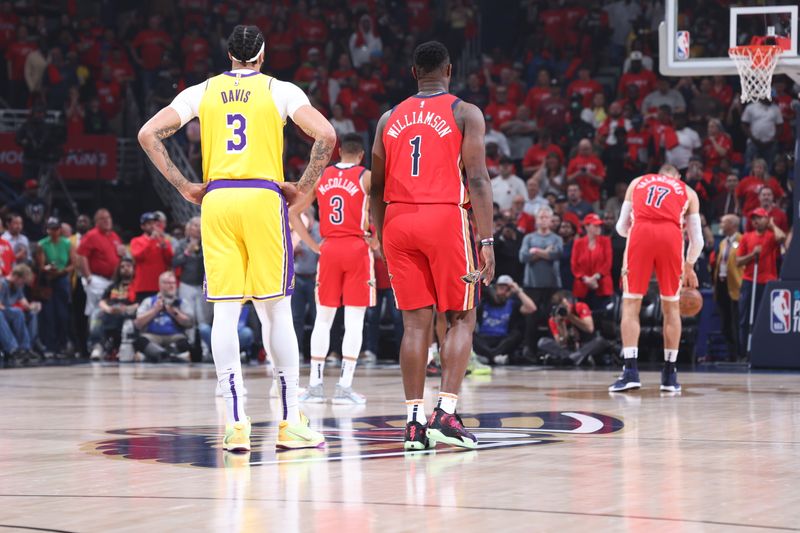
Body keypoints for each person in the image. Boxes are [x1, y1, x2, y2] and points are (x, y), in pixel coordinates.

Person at [138, 25, 335, 452]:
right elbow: (327, 136)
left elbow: (147, 134)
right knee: (277, 312)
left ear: (228, 56)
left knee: (225, 313)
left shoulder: (202, 91)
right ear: (262, 55)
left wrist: (183, 185)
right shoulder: (280, 90)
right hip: (263, 198)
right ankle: (288, 421)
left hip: (218, 199)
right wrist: (302, 185)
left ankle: (234, 423)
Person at [370, 41, 495, 450]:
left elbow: (377, 184)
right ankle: (446, 411)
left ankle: (412, 423)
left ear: (413, 73)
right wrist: (487, 239)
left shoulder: (388, 118)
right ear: (449, 70)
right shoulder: (464, 112)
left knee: (414, 324)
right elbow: (477, 178)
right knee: (461, 316)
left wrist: (379, 232)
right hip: (443, 217)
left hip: (398, 221)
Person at [290, 133, 375, 405]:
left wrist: (313, 244)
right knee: (354, 321)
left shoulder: (323, 177)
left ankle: (315, 386)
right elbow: (387, 206)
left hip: (328, 250)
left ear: (339, 153)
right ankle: (344, 387)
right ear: (361, 155)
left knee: (323, 320)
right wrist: (378, 239)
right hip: (356, 249)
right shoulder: (366, 176)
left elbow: (292, 212)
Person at [610, 164, 703, 393]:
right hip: (671, 237)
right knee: (672, 307)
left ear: (658, 175)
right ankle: (669, 375)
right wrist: (689, 266)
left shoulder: (638, 181)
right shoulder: (688, 191)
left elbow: (621, 227)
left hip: (641, 233)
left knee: (631, 304)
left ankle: (630, 371)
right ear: (677, 177)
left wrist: (638, 232)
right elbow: (697, 240)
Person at [735, 208, 786, 358]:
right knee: (744, 319)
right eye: (753, 218)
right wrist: (752, 255)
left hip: (767, 282)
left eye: (760, 218)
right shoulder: (746, 237)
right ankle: (744, 352)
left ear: (767, 219)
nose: (756, 221)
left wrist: (772, 225)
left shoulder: (771, 237)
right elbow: (738, 261)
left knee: (763, 318)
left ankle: (763, 351)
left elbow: (782, 237)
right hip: (750, 281)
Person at [519, 206, 563, 357]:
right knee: (531, 320)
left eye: (546, 217)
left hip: (552, 285)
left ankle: (553, 351)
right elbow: (523, 257)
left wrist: (535, 252)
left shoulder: (557, 239)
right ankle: (529, 351)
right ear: (536, 220)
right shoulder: (529, 238)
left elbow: (557, 255)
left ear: (551, 221)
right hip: (532, 285)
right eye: (541, 217)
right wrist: (545, 252)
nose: (543, 220)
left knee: (553, 318)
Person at [133, 271, 194, 362]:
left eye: (173, 283)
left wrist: (173, 311)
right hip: (152, 336)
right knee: (140, 342)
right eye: (168, 283)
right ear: (160, 284)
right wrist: (155, 310)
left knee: (185, 343)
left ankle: (157, 356)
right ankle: (171, 356)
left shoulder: (181, 302)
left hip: (175, 336)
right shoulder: (149, 301)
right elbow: (138, 323)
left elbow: (189, 323)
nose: (171, 286)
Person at [473, 275, 535, 363]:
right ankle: (494, 357)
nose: (503, 292)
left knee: (516, 334)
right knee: (470, 334)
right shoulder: (484, 302)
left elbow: (531, 308)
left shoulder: (513, 304)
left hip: (502, 340)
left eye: (507, 289)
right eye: (501, 288)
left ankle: (489, 357)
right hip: (485, 339)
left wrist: (518, 291)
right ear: (495, 288)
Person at [537, 290, 609, 366]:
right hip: (569, 348)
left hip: (585, 344)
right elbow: (561, 343)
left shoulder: (580, 307)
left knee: (600, 341)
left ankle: (571, 358)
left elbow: (589, 329)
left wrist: (570, 316)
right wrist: (560, 324)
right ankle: (576, 358)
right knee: (542, 342)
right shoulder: (554, 319)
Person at [77, 209, 124, 320]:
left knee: (109, 309)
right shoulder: (91, 235)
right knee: (96, 310)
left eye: (108, 218)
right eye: (103, 219)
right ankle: (93, 336)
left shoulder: (114, 236)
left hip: (112, 281)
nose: (106, 221)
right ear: (96, 221)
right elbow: (81, 256)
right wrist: (88, 276)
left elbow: (119, 257)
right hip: (96, 280)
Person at [36, 217, 73, 356]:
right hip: (48, 280)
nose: (54, 231)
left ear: (60, 229)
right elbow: (41, 266)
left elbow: (72, 263)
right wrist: (48, 268)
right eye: (51, 228)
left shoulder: (67, 243)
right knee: (49, 314)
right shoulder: (42, 244)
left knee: (62, 314)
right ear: (47, 230)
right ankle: (50, 346)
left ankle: (62, 344)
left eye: (56, 228)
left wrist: (63, 271)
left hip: (62, 278)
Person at [89, 257, 137, 361]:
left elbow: (140, 304)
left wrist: (126, 309)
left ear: (134, 269)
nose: (125, 269)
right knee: (97, 315)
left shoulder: (137, 285)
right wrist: (108, 309)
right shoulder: (113, 286)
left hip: (128, 311)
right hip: (110, 311)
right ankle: (97, 347)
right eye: (122, 267)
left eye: (128, 266)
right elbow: (102, 301)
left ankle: (118, 347)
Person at [172, 216, 209, 348]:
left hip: (202, 285)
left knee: (204, 318)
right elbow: (175, 262)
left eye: (200, 225)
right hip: (186, 284)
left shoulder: (207, 243)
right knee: (188, 317)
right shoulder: (182, 244)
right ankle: (189, 348)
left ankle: (206, 350)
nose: (198, 228)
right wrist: (187, 252)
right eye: (195, 225)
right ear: (189, 227)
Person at [712, 215, 743, 362]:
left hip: (736, 285)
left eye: (723, 222)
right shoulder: (723, 243)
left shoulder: (742, 240)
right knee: (725, 321)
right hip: (722, 285)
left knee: (735, 321)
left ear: (732, 225)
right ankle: (731, 354)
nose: (721, 225)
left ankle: (740, 354)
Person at [571, 213, 613, 310]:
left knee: (601, 317)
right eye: (595, 225)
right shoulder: (578, 243)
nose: (599, 228)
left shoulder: (606, 241)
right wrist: (586, 279)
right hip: (582, 286)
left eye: (599, 225)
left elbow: (607, 263)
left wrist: (595, 277)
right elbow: (574, 265)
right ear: (586, 226)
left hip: (602, 285)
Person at [130, 212, 173, 302]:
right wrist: (151, 241)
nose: (153, 226)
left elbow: (170, 260)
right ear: (142, 226)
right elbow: (138, 257)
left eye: (154, 223)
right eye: (149, 223)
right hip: (143, 287)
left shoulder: (163, 241)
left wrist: (164, 245)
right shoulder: (136, 241)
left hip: (160, 286)